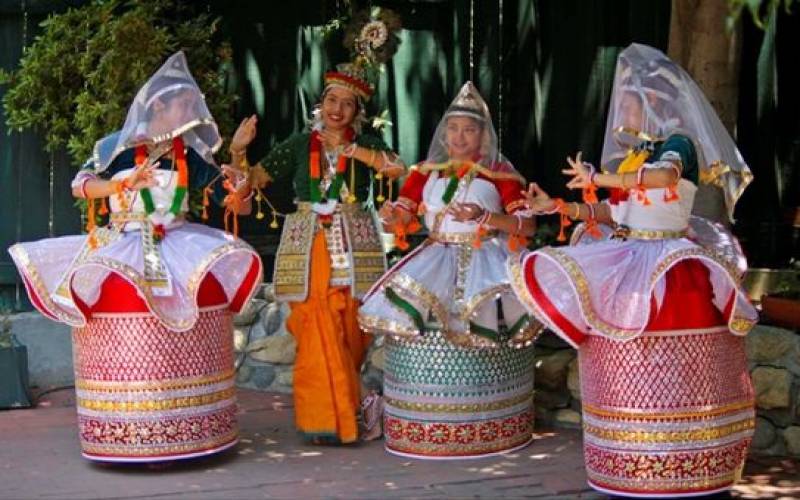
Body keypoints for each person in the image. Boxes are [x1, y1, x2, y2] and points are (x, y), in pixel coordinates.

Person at [509, 43, 757, 497]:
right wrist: (558, 206)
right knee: (624, 359)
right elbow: (612, 212)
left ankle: (685, 463)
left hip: (671, 268)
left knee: (675, 363)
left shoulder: (676, 144)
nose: (619, 109)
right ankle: (631, 460)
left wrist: (601, 179)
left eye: (627, 99)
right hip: (632, 263)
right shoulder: (635, 157)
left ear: (653, 103)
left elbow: (663, 181)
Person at [8, 51, 263, 463]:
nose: (190, 113)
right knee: (124, 313)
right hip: (127, 242)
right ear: (157, 105)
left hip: (178, 243)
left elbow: (237, 206)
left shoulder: (190, 155)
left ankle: (188, 426)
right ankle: (127, 428)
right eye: (183, 105)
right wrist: (121, 187)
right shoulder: (118, 146)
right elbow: (81, 185)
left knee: (189, 315)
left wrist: (238, 165)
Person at [233, 29, 406, 445]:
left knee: (350, 328)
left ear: (358, 112)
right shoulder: (298, 144)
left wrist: (353, 153)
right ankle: (332, 417)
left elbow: (396, 168)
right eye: (332, 100)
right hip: (307, 239)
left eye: (347, 103)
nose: (338, 109)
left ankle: (351, 408)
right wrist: (239, 151)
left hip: (353, 240)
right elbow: (253, 180)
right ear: (320, 103)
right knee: (313, 322)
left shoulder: (366, 142)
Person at [358, 82, 540, 459]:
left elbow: (528, 226)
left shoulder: (500, 175)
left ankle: (488, 424)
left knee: (488, 327)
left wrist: (486, 217)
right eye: (453, 129)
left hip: (485, 261)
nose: (459, 137)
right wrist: (393, 216)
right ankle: (423, 425)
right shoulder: (426, 172)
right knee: (423, 329)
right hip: (435, 257)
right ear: (443, 133)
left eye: (469, 129)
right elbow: (405, 215)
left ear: (483, 137)